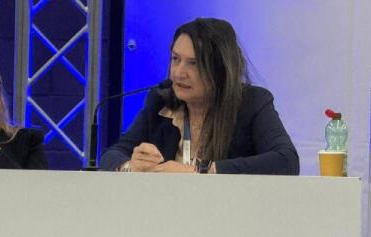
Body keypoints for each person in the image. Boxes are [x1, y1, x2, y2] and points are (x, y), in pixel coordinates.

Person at [99, 18, 299, 175]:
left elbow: (286, 160)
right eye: (175, 59)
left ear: (220, 69)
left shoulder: (252, 103)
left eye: (193, 63)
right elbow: (111, 155)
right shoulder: (161, 102)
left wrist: (201, 171)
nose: (179, 73)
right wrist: (132, 166)